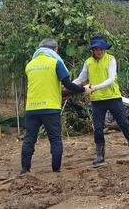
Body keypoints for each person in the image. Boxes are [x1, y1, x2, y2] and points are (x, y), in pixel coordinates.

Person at [20, 38, 90, 175]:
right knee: (55, 139)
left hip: (32, 108)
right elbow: (68, 85)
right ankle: (56, 170)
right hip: (50, 108)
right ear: (55, 50)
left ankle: (25, 169)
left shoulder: (30, 65)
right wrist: (84, 90)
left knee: (29, 138)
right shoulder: (56, 62)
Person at [73, 36, 129, 165]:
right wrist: (68, 86)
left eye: (102, 49)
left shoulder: (110, 59)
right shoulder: (88, 62)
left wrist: (96, 87)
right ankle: (100, 156)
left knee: (124, 123)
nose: (100, 52)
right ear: (92, 50)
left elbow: (111, 78)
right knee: (98, 128)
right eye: (97, 49)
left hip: (112, 97)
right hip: (97, 100)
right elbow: (80, 79)